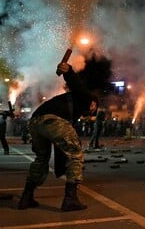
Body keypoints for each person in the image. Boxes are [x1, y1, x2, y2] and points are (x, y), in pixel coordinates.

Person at [18, 62, 99, 211]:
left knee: (41, 158)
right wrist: (69, 71)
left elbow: (62, 143)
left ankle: (26, 197)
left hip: (36, 122)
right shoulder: (87, 98)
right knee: (76, 154)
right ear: (93, 105)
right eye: (91, 112)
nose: (87, 115)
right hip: (53, 120)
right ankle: (70, 199)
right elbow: (77, 85)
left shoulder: (70, 105)